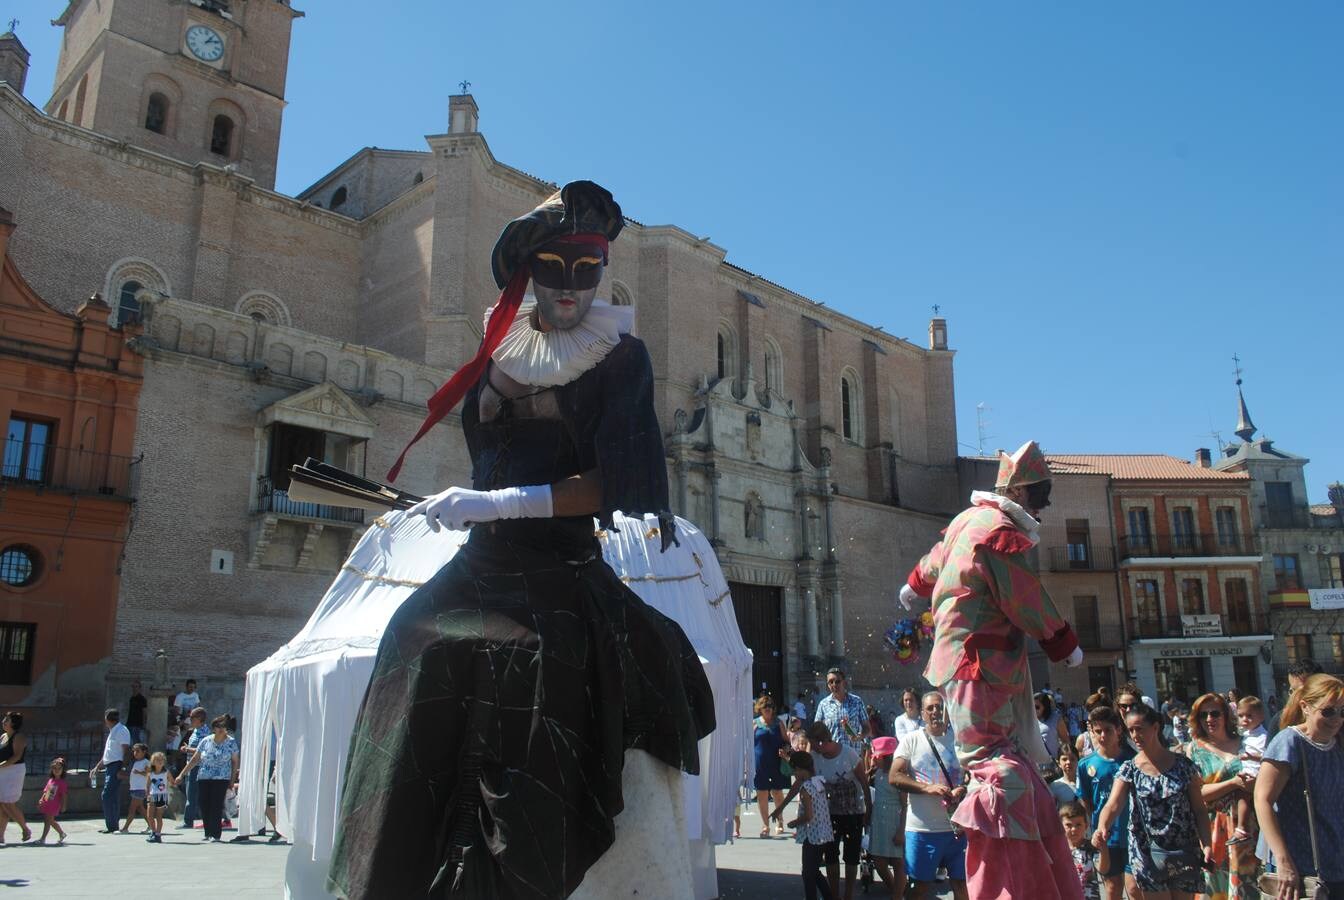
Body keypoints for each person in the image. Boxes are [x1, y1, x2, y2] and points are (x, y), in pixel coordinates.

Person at [328, 182, 714, 899]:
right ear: (528, 271)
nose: (570, 288)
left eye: (587, 271)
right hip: (482, 564)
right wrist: (467, 511)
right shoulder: (499, 344)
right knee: (408, 635)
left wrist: (495, 500)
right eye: (554, 269)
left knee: (545, 669)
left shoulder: (619, 357)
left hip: (561, 567)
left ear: (602, 272)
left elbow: (619, 484)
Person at [899, 441, 1084, 899]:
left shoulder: (967, 522)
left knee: (1008, 761)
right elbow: (1024, 596)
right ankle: (1009, 884)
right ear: (1021, 492)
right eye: (1041, 495)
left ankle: (1032, 870)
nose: (1045, 505)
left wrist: (914, 585)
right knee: (993, 765)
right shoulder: (998, 533)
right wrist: (1063, 643)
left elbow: (937, 558)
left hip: (973, 664)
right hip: (979, 664)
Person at [1094, 704, 1212, 900]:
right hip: (1145, 850)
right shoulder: (1129, 769)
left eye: (1139, 728)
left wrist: (1206, 844)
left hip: (1183, 848)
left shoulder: (1183, 765)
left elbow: (1199, 809)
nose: (1134, 735)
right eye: (1130, 730)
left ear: (1156, 727)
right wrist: (1102, 827)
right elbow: (1112, 804)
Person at [1254, 673, 1344, 899]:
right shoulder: (1290, 742)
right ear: (1306, 706)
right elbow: (1263, 800)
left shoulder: (1338, 744)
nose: (1336, 719)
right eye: (1328, 711)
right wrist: (1283, 861)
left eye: (1342, 712)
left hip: (1336, 862)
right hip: (1300, 869)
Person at [889, 691, 967, 900]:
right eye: (930, 708)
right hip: (922, 830)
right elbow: (894, 776)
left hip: (958, 828)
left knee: (962, 885)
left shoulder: (960, 740)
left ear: (947, 711)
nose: (935, 711)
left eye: (940, 707)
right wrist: (927, 788)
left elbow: (973, 775)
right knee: (919, 888)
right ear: (922, 713)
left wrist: (964, 789)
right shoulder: (911, 741)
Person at [1184, 692, 1257, 899]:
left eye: (1215, 713)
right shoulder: (1194, 750)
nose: (1209, 719)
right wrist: (1233, 783)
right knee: (1215, 888)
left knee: (1249, 886)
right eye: (1203, 715)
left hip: (1248, 826)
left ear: (1226, 715)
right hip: (1212, 827)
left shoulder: (1247, 743)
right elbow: (1197, 794)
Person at [792, 721, 868, 900]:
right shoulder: (814, 757)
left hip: (853, 812)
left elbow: (864, 782)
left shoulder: (848, 753)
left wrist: (868, 810)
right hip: (829, 815)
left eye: (814, 743)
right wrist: (781, 806)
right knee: (832, 857)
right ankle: (834, 896)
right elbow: (801, 781)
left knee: (851, 858)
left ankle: (848, 895)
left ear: (822, 741)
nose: (813, 748)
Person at [1076, 704, 1135, 900]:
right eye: (1098, 731)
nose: (1103, 736)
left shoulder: (1132, 760)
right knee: (1112, 887)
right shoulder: (1086, 765)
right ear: (1091, 731)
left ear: (1118, 729)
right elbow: (1086, 800)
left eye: (1107, 730)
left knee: (1134, 888)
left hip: (1133, 833)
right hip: (1106, 836)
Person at [172, 714, 238, 842]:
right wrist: (181, 774)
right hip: (204, 776)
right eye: (218, 727)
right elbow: (195, 759)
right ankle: (208, 832)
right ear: (214, 728)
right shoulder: (206, 740)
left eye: (223, 727)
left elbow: (235, 761)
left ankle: (216, 834)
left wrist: (232, 779)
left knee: (216, 805)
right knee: (204, 804)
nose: (221, 729)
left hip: (221, 778)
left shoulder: (230, 742)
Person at [785, 750, 836, 900]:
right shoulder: (818, 782)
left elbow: (808, 815)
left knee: (808, 873)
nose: (794, 774)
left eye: (794, 770)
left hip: (812, 835)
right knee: (813, 871)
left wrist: (794, 822)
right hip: (824, 833)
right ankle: (829, 897)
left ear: (800, 770)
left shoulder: (806, 788)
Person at [866, 736, 907, 900]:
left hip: (895, 821)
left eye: (877, 756)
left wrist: (901, 831)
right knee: (878, 860)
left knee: (898, 862)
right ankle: (894, 888)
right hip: (880, 822)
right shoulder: (878, 773)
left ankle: (897, 896)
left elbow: (905, 805)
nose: (874, 759)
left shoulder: (899, 776)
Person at [753, 694, 791, 837]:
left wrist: (786, 750)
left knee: (777, 792)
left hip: (776, 762)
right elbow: (748, 744)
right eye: (764, 707)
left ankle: (780, 820)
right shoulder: (755, 724)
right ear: (760, 709)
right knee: (761, 793)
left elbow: (787, 741)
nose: (768, 709)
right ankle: (765, 825)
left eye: (770, 706)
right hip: (760, 764)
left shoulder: (778, 723)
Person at [92, 707, 132, 834]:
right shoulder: (113, 731)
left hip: (116, 766)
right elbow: (108, 754)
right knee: (112, 795)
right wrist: (97, 767)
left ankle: (112, 825)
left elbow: (126, 751)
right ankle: (113, 824)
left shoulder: (121, 731)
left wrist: (123, 768)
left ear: (107, 719)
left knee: (107, 794)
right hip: (110, 765)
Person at [1061, 799, 1108, 900]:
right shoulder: (1058, 850)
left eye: (1078, 825)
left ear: (1086, 826)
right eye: (1068, 825)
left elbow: (1103, 869)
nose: (1074, 829)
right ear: (1061, 826)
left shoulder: (1091, 848)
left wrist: (1103, 847)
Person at [814, 667, 868, 754]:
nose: (834, 684)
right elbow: (816, 730)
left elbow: (867, 727)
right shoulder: (823, 704)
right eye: (830, 682)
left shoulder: (857, 701)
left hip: (853, 755)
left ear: (844, 682)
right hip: (832, 756)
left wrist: (859, 736)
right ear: (827, 685)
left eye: (837, 681)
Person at [0, 711, 30, 844]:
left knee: (8, 802)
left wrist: (3, 765)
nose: (3, 721)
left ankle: (25, 828)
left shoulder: (19, 737)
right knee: (2, 804)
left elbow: (17, 756)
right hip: (3, 770)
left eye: (7, 720)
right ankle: (0, 836)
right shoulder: (3, 737)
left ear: (13, 723)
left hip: (14, 771)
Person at [177, 707, 208, 829]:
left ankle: (188, 821)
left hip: (198, 767)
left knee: (192, 794)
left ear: (199, 719)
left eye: (192, 718)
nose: (190, 720)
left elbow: (204, 750)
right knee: (190, 793)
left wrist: (188, 749)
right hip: (190, 765)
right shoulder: (195, 731)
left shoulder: (205, 732)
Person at [36, 756, 68, 844]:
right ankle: (62, 833)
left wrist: (64, 806)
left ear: (63, 770)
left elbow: (64, 795)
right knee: (51, 821)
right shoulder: (51, 780)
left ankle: (43, 838)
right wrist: (41, 800)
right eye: (54, 768)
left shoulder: (62, 783)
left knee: (47, 821)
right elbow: (47, 792)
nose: (56, 770)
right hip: (47, 804)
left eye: (59, 768)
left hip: (54, 805)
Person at [121, 742, 151, 833]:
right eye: (134, 751)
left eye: (138, 751)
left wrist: (139, 773)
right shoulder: (136, 762)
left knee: (132, 808)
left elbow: (149, 774)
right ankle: (151, 825)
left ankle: (125, 828)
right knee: (140, 808)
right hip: (135, 788)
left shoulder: (146, 762)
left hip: (140, 788)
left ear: (144, 752)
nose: (135, 753)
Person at [145, 751, 170, 843]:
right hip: (152, 795)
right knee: (149, 815)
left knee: (159, 816)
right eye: (157, 760)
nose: (160, 762)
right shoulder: (150, 773)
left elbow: (172, 781)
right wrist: (147, 794)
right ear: (153, 762)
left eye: (161, 760)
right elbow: (147, 785)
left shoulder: (166, 772)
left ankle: (158, 835)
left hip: (162, 796)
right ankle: (153, 831)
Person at [1038, 691, 1070, 760]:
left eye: (1037, 707)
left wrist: (1064, 759)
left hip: (1052, 761)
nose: (1034, 709)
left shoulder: (1056, 717)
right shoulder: (1029, 719)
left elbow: (1065, 740)